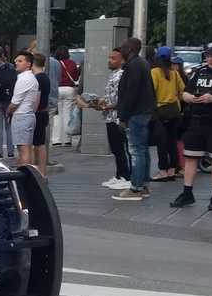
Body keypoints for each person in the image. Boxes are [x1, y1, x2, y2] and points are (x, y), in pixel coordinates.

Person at [170, 42, 212, 211]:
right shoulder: (199, 71)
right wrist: (191, 98)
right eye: (207, 55)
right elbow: (185, 92)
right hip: (197, 120)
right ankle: (187, 193)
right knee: (191, 157)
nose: (210, 59)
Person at [78, 47, 131, 190]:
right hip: (110, 116)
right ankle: (120, 175)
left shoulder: (121, 75)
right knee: (116, 148)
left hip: (117, 117)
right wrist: (98, 103)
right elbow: (110, 96)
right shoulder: (114, 74)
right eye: (109, 58)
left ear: (122, 60)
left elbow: (121, 99)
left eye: (113, 58)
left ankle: (126, 176)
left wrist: (105, 107)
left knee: (120, 148)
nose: (110, 61)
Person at [111, 38, 157, 201]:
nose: (120, 48)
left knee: (136, 150)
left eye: (123, 46)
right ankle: (143, 184)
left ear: (130, 49)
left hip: (135, 114)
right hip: (143, 112)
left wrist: (123, 116)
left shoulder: (133, 66)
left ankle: (136, 188)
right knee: (142, 150)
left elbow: (130, 94)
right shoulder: (141, 63)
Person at [149, 46, 185, 182]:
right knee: (172, 142)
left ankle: (163, 171)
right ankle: (172, 170)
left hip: (160, 111)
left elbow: (152, 90)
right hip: (174, 111)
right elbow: (182, 90)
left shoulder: (155, 72)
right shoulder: (174, 73)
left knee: (161, 143)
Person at [9, 51, 40, 169]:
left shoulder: (24, 79)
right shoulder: (29, 77)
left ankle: (26, 175)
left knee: (23, 148)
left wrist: (9, 110)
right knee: (25, 147)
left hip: (22, 115)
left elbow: (15, 102)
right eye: (16, 61)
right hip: (27, 114)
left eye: (20, 61)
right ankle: (28, 173)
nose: (16, 63)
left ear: (29, 64)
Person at [51, 47, 80, 146]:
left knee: (57, 115)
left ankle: (56, 140)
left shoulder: (54, 63)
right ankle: (67, 139)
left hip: (57, 89)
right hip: (69, 89)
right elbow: (75, 77)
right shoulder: (71, 63)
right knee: (68, 114)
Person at [32, 53, 53, 175]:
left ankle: (39, 172)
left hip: (37, 113)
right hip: (43, 112)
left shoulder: (38, 78)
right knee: (39, 143)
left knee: (37, 144)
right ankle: (42, 171)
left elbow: (36, 98)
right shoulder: (45, 77)